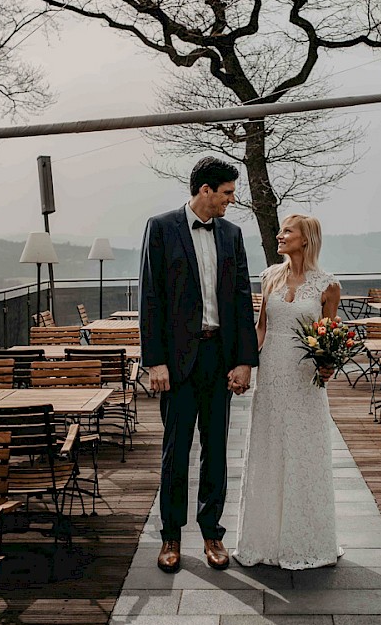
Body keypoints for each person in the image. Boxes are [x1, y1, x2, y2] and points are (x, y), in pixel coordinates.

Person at [139, 156, 259, 574]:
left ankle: (213, 535)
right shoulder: (161, 227)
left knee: (217, 450)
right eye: (226, 193)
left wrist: (245, 361)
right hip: (176, 363)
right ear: (205, 190)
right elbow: (150, 299)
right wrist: (154, 361)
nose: (231, 200)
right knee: (175, 452)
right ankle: (171, 535)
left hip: (218, 357)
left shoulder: (232, 234)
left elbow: (243, 299)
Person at [234, 213, 343, 570]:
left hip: (305, 379)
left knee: (303, 452)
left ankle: (306, 539)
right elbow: (261, 327)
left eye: (287, 231)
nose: (279, 235)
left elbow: (329, 335)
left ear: (306, 239)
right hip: (273, 374)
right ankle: (264, 539)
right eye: (280, 230)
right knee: (269, 448)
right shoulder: (269, 277)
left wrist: (329, 363)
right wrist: (246, 365)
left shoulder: (328, 285)